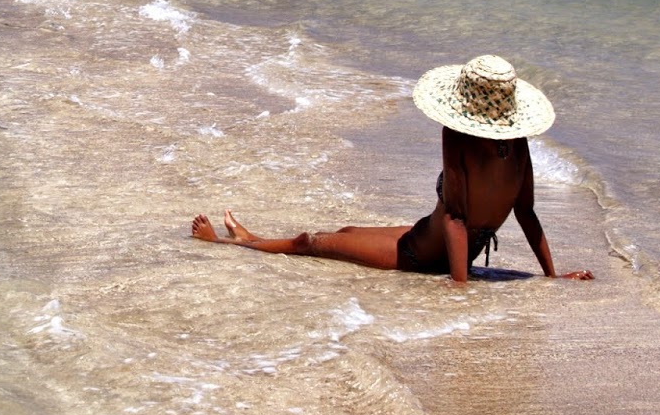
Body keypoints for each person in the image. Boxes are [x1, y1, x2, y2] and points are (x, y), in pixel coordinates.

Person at [190, 54, 594, 283]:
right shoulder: (517, 143)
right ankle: (252, 237)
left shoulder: (457, 136)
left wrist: (458, 286)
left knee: (309, 241)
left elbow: (455, 217)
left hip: (423, 254)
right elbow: (524, 212)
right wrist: (551, 276)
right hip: (430, 238)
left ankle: (229, 243)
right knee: (345, 233)